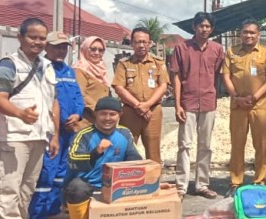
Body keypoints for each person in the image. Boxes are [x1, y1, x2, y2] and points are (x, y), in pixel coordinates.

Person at [0, 17, 59, 219]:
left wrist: (54, 134)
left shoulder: (46, 66)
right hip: (12, 137)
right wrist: (19, 113)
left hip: (39, 136)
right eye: (32, 37)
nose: (38, 42)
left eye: (42, 38)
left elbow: (52, 102)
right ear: (20, 37)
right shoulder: (9, 64)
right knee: (8, 188)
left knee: (26, 188)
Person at [65, 96, 143, 219]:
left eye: (112, 114)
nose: (107, 118)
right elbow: (73, 159)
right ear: (96, 115)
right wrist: (97, 152)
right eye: (103, 114)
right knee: (76, 188)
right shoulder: (84, 135)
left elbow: (134, 158)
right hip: (89, 184)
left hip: (115, 184)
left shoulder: (125, 133)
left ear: (119, 115)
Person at [27, 31, 84, 219]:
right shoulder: (41, 69)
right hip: (51, 132)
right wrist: (59, 123)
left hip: (68, 132)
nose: (60, 50)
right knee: (46, 174)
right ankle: (37, 217)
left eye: (64, 47)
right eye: (56, 46)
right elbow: (46, 102)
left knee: (60, 174)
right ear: (47, 48)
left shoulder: (68, 71)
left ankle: (52, 210)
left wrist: (77, 115)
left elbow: (78, 97)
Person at [171, 12, 225, 199]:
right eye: (201, 26)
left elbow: (218, 74)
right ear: (194, 27)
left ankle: (202, 184)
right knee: (184, 145)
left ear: (212, 29)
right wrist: (177, 104)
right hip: (188, 102)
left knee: (206, 145)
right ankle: (181, 187)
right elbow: (176, 76)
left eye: (208, 26)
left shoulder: (217, 49)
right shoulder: (182, 48)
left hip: (209, 102)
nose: (204, 29)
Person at [222, 19, 266, 196]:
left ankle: (259, 180)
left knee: (261, 145)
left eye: (252, 32)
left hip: (259, 106)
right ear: (240, 34)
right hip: (238, 106)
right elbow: (226, 77)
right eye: (245, 32)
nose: (248, 35)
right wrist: (236, 97)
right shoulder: (231, 52)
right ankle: (236, 182)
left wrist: (254, 97)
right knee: (237, 145)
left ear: (258, 35)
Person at [112, 27, 170, 164]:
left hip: (153, 111)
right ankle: (126, 182)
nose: (142, 45)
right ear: (132, 43)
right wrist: (138, 106)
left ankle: (153, 183)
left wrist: (147, 105)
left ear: (150, 44)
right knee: (126, 148)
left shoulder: (158, 62)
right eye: (138, 42)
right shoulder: (124, 64)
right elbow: (119, 87)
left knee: (153, 151)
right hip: (130, 111)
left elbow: (163, 86)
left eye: (145, 42)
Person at [73, 35, 111, 128]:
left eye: (101, 50)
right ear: (85, 49)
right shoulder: (80, 69)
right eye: (93, 49)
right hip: (86, 120)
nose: (97, 53)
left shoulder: (101, 69)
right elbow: (82, 95)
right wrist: (99, 112)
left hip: (100, 120)